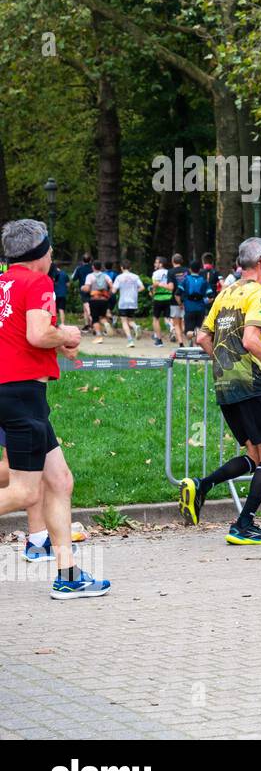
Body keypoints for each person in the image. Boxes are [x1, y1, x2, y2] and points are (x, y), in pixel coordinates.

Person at [0, 220, 109, 599]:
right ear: (39, 253)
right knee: (25, 492)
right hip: (21, 393)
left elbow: (21, 335)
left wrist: (54, 340)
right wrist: (67, 334)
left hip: (15, 392)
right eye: (49, 249)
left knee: (60, 481)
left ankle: (68, 575)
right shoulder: (38, 282)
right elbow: (37, 334)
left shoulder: (5, 284)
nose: (51, 255)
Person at [179, 238, 261, 544]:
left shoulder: (226, 292)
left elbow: (202, 338)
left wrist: (223, 362)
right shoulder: (259, 294)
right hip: (252, 382)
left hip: (225, 383)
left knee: (253, 453)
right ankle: (244, 524)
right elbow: (250, 340)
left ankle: (202, 485)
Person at [111, 260, 144, 347]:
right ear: (130, 268)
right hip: (133, 301)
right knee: (130, 320)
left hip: (123, 302)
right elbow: (142, 287)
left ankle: (130, 340)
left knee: (124, 321)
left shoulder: (119, 277)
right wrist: (135, 291)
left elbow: (113, 291)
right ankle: (135, 326)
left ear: (121, 267)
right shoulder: (135, 277)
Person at [179, 260, 212, 346]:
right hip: (200, 308)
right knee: (199, 327)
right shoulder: (204, 281)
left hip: (189, 308)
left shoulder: (186, 280)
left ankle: (194, 334)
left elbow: (177, 293)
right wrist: (204, 302)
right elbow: (211, 296)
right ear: (199, 269)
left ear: (190, 269)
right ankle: (197, 346)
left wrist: (181, 304)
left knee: (187, 332)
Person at [81, 261, 113, 342]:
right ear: (100, 267)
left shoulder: (90, 276)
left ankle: (99, 337)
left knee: (95, 319)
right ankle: (106, 324)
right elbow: (111, 286)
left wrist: (83, 288)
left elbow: (87, 288)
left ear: (93, 267)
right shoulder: (105, 276)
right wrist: (108, 294)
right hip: (104, 300)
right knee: (102, 316)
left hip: (94, 300)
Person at [149, 256, 174, 346]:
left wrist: (152, 291)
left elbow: (155, 286)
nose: (155, 264)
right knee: (168, 317)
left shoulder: (156, 273)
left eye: (156, 262)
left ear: (161, 264)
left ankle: (159, 340)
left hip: (158, 298)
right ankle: (171, 327)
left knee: (156, 319)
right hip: (169, 297)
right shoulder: (169, 272)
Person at [167, 253, 187, 343]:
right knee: (185, 321)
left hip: (174, 300)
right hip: (186, 299)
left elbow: (171, 287)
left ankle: (181, 343)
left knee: (176, 323)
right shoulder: (187, 271)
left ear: (172, 261)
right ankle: (190, 338)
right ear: (181, 261)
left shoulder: (171, 272)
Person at [49, 261, 69, 326]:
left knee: (53, 309)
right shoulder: (64, 274)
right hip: (62, 294)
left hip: (54, 294)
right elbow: (68, 284)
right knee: (61, 309)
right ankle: (63, 323)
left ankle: (54, 323)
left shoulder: (52, 274)